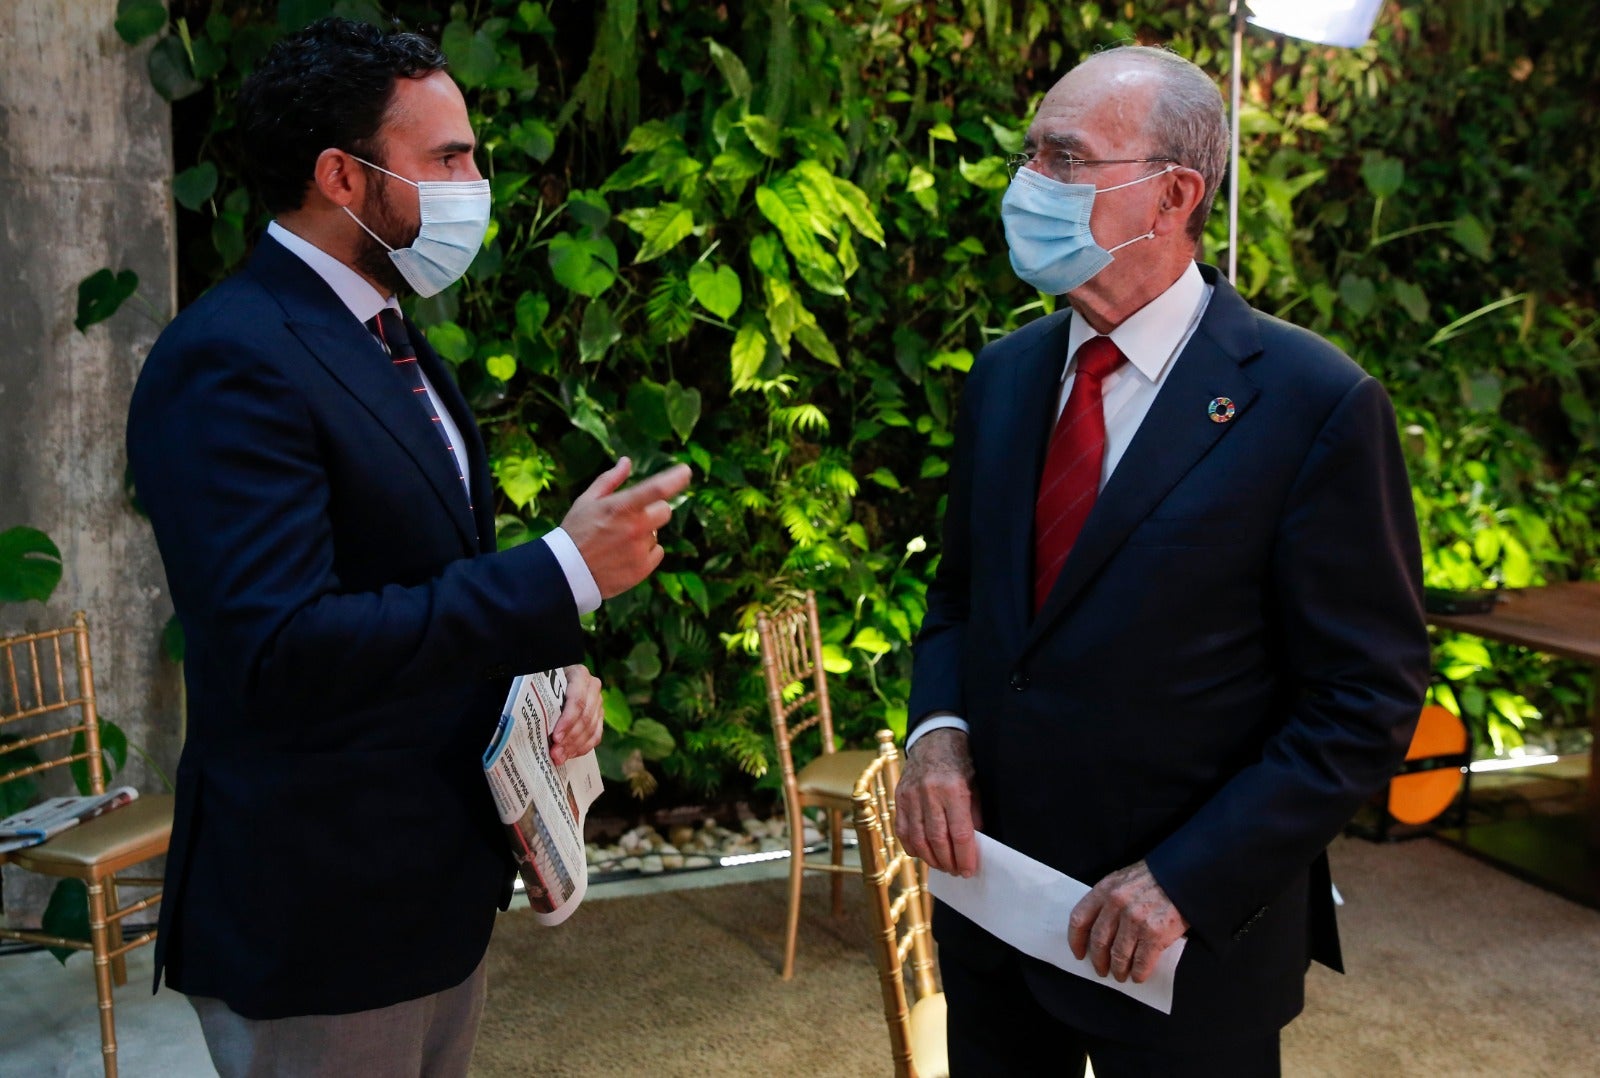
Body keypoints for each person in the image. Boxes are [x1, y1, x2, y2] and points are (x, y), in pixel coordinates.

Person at [126, 17, 691, 1076]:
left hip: (427, 892)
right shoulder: (229, 357)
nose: (477, 180)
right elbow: (281, 647)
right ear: (342, 175)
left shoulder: (387, 332)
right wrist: (560, 573)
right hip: (322, 909)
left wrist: (543, 659)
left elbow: (411, 579)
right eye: (447, 157)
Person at [894, 45, 1429, 1077]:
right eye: (1028, 156)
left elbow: (1362, 699)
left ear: (1173, 195)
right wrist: (937, 731)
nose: (1026, 186)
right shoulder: (1005, 378)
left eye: (1063, 158)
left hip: (1183, 944)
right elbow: (961, 598)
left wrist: (1184, 878)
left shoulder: (1313, 403)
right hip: (997, 917)